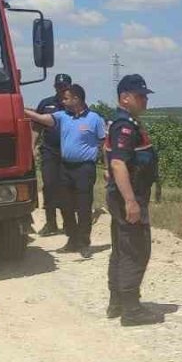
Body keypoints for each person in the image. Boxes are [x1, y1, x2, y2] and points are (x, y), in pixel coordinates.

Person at [104, 74, 163, 326]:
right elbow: (118, 163)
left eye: (145, 96)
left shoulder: (123, 123)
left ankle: (117, 302)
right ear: (124, 98)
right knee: (135, 250)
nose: (145, 100)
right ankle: (131, 309)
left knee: (121, 248)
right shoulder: (125, 126)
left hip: (123, 194)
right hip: (129, 196)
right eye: (140, 96)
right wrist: (130, 201)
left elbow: (112, 159)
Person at [24, 84, 106, 258]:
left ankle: (84, 243)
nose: (63, 101)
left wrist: (107, 167)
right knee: (65, 205)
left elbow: (104, 144)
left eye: (66, 98)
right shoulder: (62, 116)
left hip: (85, 168)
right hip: (65, 167)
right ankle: (72, 239)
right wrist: (20, 108)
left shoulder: (95, 119)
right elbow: (41, 118)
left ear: (77, 99)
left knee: (83, 206)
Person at [33, 74, 72, 236]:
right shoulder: (46, 104)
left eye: (64, 87)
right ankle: (51, 223)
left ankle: (68, 223)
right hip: (49, 151)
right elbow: (36, 128)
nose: (61, 90)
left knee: (66, 187)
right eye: (58, 87)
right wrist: (32, 147)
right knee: (49, 185)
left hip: (68, 153)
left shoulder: (74, 105)